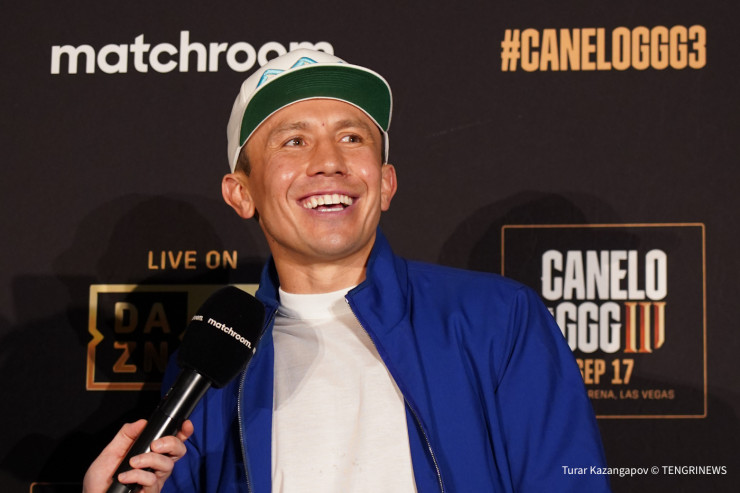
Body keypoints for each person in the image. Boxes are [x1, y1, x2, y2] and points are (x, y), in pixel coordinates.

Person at [84, 49, 611, 492]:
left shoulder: (497, 318)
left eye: (352, 138)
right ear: (241, 193)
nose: (329, 161)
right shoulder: (214, 359)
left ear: (386, 183)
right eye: (294, 141)